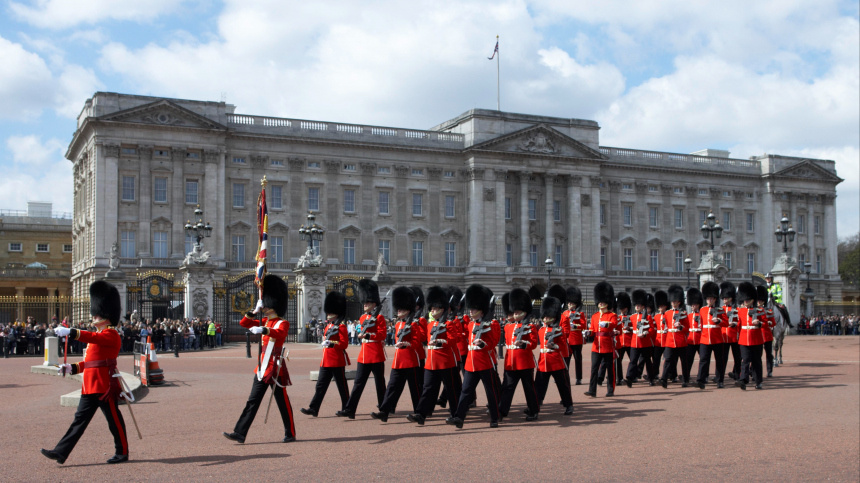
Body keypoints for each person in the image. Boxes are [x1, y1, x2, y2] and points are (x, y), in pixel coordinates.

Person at [42, 280, 129, 465]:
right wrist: (71, 368)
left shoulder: (111, 335)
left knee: (114, 421)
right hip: (90, 386)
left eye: (98, 314)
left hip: (105, 386)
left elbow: (91, 337)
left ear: (106, 315)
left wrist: (71, 332)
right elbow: (91, 362)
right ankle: (60, 452)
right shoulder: (98, 336)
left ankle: (122, 452)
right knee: (78, 421)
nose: (94, 316)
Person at [224, 274, 296, 443]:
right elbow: (244, 323)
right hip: (262, 367)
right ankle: (240, 433)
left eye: (266, 304)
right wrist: (253, 312)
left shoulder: (282, 323)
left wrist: (263, 330)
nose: (264, 306)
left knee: (282, 402)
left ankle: (290, 433)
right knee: (252, 400)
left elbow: (279, 333)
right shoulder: (264, 320)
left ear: (273, 305)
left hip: (275, 367)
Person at [446, 284, 500, 429]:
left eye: (474, 309)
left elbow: (492, 343)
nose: (471, 311)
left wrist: (483, 344)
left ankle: (495, 417)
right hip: (471, 363)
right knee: (465, 391)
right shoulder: (470, 325)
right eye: (471, 309)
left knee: (490, 391)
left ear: (481, 310)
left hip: (485, 362)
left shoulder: (489, 324)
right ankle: (459, 417)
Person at [408, 286, 462, 425]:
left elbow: (453, 340)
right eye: (431, 309)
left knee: (451, 389)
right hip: (431, 362)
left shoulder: (449, 324)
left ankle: (456, 414)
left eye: (435, 309)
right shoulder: (429, 325)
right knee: (427, 389)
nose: (432, 311)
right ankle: (421, 414)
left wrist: (441, 342)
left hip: (445, 361)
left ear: (442, 309)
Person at [372, 287, 424, 422]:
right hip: (398, 361)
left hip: (410, 360)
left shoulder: (413, 325)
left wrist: (407, 344)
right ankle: (384, 411)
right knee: (392, 387)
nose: (399, 311)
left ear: (408, 310)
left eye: (402, 309)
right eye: (398, 309)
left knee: (415, 389)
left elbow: (417, 342)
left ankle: (419, 413)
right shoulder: (397, 325)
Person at [337, 279, 387, 419]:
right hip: (364, 354)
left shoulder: (379, 317)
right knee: (358, 383)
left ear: (374, 304)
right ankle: (350, 409)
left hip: (375, 354)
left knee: (379, 383)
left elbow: (382, 334)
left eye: (368, 302)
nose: (365, 304)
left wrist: (369, 335)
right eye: (365, 302)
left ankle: (384, 408)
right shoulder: (362, 317)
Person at [302, 291, 350, 417]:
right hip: (326, 360)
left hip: (337, 360)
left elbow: (344, 344)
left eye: (330, 312)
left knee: (342, 386)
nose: (328, 314)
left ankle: (347, 408)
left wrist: (332, 343)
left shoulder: (341, 327)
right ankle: (314, 408)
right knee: (320, 386)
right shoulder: (328, 326)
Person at [497, 289, 539, 420]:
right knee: (507, 388)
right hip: (511, 363)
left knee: (529, 389)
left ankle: (533, 411)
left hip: (525, 363)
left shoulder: (530, 327)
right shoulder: (508, 327)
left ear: (524, 312)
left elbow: (533, 344)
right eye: (514, 312)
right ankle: (502, 411)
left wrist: (524, 344)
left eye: (517, 312)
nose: (515, 314)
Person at [534, 296, 574, 416]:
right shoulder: (541, 330)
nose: (546, 319)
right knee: (539, 386)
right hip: (543, 362)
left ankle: (568, 405)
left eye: (548, 317)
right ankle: (535, 407)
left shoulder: (558, 330)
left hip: (556, 361)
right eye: (545, 317)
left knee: (562, 385)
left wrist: (554, 346)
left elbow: (562, 345)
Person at [585, 281, 619, 397]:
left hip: (607, 345)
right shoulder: (594, 316)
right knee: (594, 369)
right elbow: (592, 330)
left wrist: (607, 324)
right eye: (599, 301)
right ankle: (592, 390)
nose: (601, 303)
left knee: (610, 369)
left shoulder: (612, 315)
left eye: (603, 301)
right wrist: (588, 333)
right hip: (596, 346)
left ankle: (610, 390)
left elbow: (614, 324)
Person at [696, 282, 728, 389]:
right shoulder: (702, 310)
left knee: (719, 361)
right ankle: (701, 380)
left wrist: (719, 321)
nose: (709, 300)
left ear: (715, 299)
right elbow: (701, 324)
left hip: (717, 339)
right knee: (703, 360)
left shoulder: (720, 310)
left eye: (711, 298)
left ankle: (720, 380)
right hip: (705, 339)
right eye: (708, 298)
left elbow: (726, 323)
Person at [735, 282, 764, 390]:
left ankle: (758, 381)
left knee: (756, 361)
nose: (745, 301)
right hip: (744, 340)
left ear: (752, 299)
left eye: (747, 299)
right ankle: (743, 380)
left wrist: (759, 323)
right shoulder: (741, 311)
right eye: (744, 300)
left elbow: (765, 324)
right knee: (745, 360)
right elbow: (738, 325)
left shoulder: (760, 310)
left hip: (756, 339)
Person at [659, 285, 689, 388]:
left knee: (683, 362)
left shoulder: (683, 313)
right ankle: (664, 379)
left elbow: (687, 328)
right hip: (670, 340)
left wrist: (681, 327)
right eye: (672, 301)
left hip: (681, 340)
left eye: (675, 301)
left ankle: (685, 380)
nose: (673, 303)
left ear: (679, 302)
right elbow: (666, 325)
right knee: (667, 360)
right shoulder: (667, 313)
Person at [624, 289, 656, 387]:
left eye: (639, 305)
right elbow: (633, 328)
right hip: (635, 342)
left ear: (643, 306)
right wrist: (629, 328)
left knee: (648, 361)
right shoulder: (632, 317)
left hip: (645, 342)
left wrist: (645, 333)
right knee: (633, 361)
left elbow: (652, 329)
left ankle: (651, 379)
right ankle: (629, 378)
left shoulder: (648, 317)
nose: (637, 307)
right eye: (636, 305)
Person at [563, 286, 587, 385]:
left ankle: (579, 378)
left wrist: (575, 325)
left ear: (575, 304)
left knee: (578, 360)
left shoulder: (580, 313)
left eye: (571, 303)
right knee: (566, 360)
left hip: (576, 339)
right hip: (567, 339)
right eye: (569, 303)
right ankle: (564, 377)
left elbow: (583, 325)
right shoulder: (565, 313)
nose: (569, 305)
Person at [683, 287, 704, 386]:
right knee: (688, 360)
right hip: (691, 340)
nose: (692, 306)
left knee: (703, 359)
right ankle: (686, 376)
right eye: (691, 305)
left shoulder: (702, 315)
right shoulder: (689, 316)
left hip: (700, 339)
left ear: (698, 305)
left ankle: (703, 376)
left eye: (694, 305)